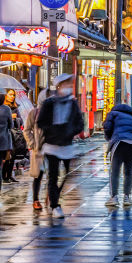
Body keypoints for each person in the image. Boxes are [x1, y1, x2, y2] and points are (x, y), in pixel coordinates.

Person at [36, 75, 84, 219]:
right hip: (51, 145)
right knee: (53, 176)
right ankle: (55, 205)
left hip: (67, 144)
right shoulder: (49, 103)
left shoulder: (72, 103)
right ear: (58, 86)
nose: (68, 86)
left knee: (67, 174)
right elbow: (41, 122)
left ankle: (54, 198)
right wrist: (52, 131)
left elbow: (79, 123)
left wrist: (70, 132)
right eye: (66, 84)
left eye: (70, 83)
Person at [103, 100, 132, 208]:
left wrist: (109, 139)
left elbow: (107, 127)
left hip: (119, 143)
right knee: (129, 171)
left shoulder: (113, 114)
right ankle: (127, 197)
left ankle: (114, 197)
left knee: (115, 171)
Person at [23, 97, 45, 212]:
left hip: (52, 148)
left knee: (53, 175)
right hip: (39, 149)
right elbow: (26, 130)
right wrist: (32, 143)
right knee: (38, 175)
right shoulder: (35, 113)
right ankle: (36, 200)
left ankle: (51, 198)